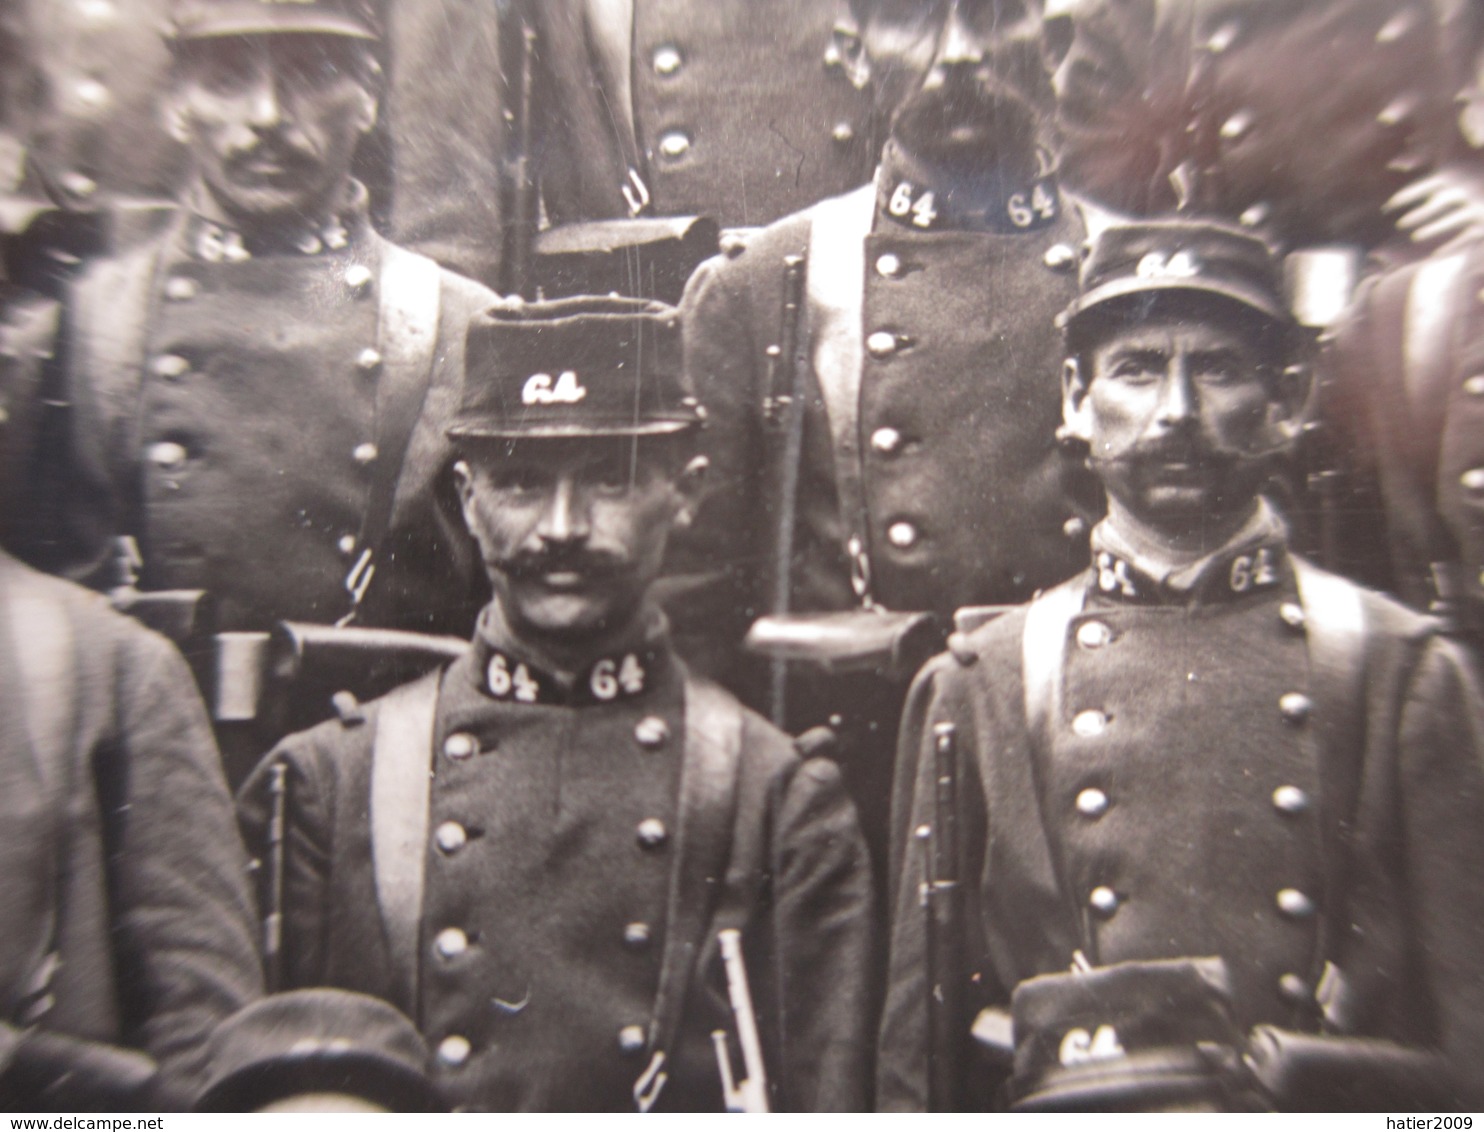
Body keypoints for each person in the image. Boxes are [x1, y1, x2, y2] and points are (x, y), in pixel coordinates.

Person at [877, 218, 1484, 1111]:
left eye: (1220, 367)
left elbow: (1468, 1079)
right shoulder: (983, 683)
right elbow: (917, 1068)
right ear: (1076, 400)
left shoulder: (1399, 673)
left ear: (1287, 399)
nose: (1176, 413)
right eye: (1137, 369)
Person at [237, 296, 876, 1112]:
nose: (563, 527)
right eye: (520, 483)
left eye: (610, 478)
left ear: (686, 491)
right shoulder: (324, 787)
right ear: (468, 500)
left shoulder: (779, 805)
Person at [673, 0, 1098, 863]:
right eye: (911, 19)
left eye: (993, 16)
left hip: (1084, 765)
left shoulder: (1122, 267)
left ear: (1052, 41)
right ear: (852, 50)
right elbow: (692, 615)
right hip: (861, 788)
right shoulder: (767, 285)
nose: (959, 57)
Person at [39, 0, 500, 778]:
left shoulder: (460, 326)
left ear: (369, 95)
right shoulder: (93, 327)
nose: (266, 117)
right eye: (226, 80)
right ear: (177, 104)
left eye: (310, 75)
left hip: (383, 788)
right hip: (156, 786)